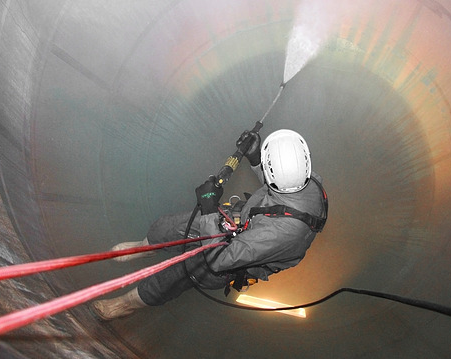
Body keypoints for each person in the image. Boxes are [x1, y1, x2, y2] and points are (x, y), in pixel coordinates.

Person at [91, 129, 328, 320]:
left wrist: (207, 207)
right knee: (167, 227)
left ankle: (125, 305)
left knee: (174, 275)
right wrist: (256, 158)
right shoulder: (305, 178)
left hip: (232, 258)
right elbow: (275, 183)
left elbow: (219, 260)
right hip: (238, 222)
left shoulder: (283, 235)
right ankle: (143, 248)